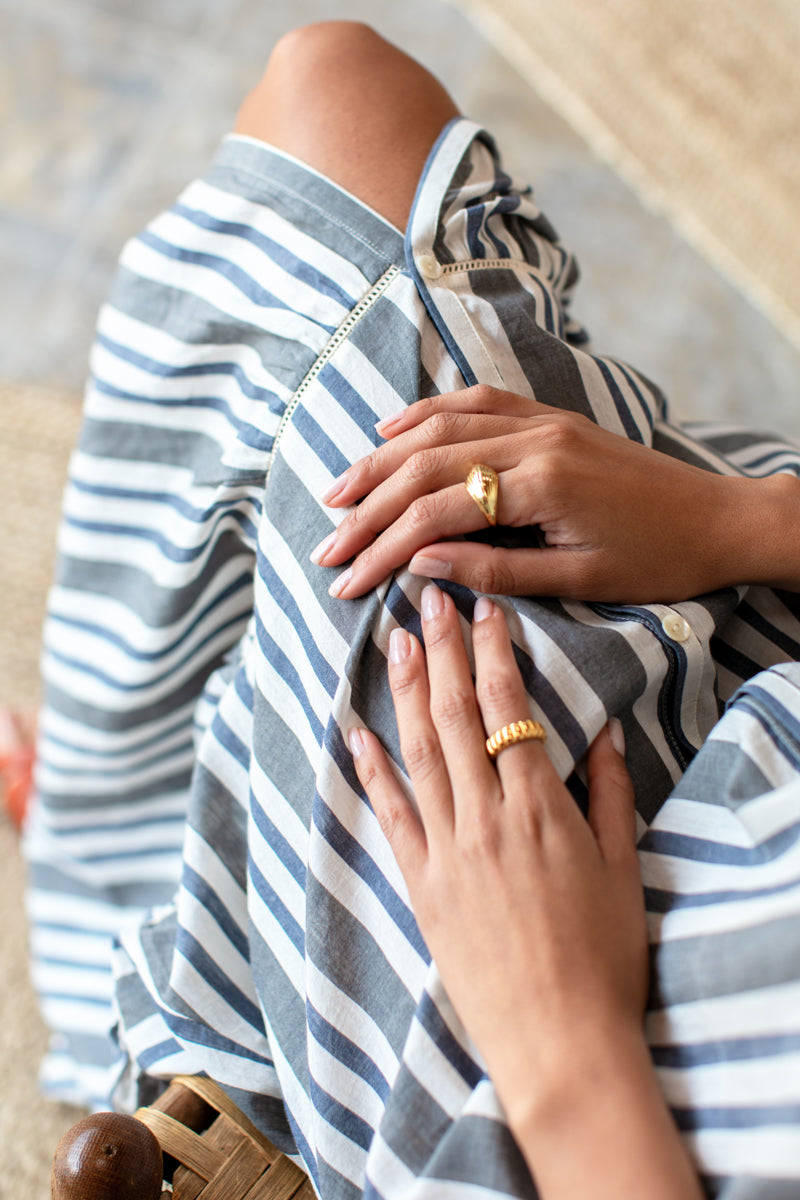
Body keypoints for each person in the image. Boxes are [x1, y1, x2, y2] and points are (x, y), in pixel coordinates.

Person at [24, 19, 800, 1199]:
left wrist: (559, 1042)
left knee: (334, 122)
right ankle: (152, 855)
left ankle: (134, 897)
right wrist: (744, 524)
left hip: (562, 1079)